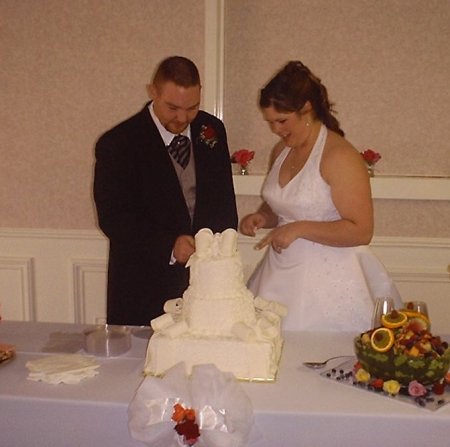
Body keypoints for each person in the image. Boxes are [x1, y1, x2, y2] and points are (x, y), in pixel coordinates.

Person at [240, 61, 401, 332]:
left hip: (329, 283)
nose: (276, 130)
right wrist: (262, 216)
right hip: (278, 275)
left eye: (282, 121)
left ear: (306, 108)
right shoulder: (281, 150)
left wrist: (299, 229)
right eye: (270, 122)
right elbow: (283, 203)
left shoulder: (340, 156)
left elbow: (361, 231)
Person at [94, 56, 238, 326]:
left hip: (207, 288)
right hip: (143, 287)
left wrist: (218, 250)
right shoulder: (118, 144)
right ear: (153, 92)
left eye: (192, 107)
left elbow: (224, 201)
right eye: (172, 107)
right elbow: (114, 219)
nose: (183, 118)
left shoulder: (212, 130)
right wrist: (170, 246)